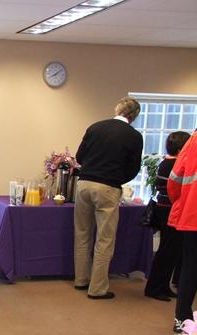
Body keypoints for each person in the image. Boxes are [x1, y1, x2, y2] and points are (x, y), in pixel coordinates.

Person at [73, 96, 143, 300]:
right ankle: (97, 288)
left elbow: (79, 157)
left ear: (117, 110)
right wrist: (118, 179)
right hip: (108, 187)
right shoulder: (134, 136)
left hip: (84, 184)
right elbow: (134, 168)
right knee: (104, 240)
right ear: (134, 116)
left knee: (82, 234)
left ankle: (81, 280)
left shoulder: (95, 127)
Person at [144, 131, 191, 302]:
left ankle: (163, 285)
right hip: (170, 210)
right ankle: (155, 288)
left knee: (170, 251)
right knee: (167, 251)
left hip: (163, 208)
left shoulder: (166, 162)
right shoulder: (176, 164)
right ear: (180, 149)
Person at [168, 130, 197, 332]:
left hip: (193, 213)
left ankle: (181, 320)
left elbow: (175, 178)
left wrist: (181, 203)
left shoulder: (193, 140)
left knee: (190, 268)